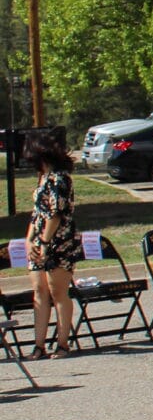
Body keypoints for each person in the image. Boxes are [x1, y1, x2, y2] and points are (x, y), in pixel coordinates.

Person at [23, 133, 81, 358]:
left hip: (59, 241)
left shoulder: (60, 178)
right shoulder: (42, 178)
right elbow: (37, 213)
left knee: (58, 293)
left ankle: (63, 343)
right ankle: (39, 346)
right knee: (39, 292)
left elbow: (55, 214)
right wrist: (30, 240)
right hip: (39, 240)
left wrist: (45, 242)